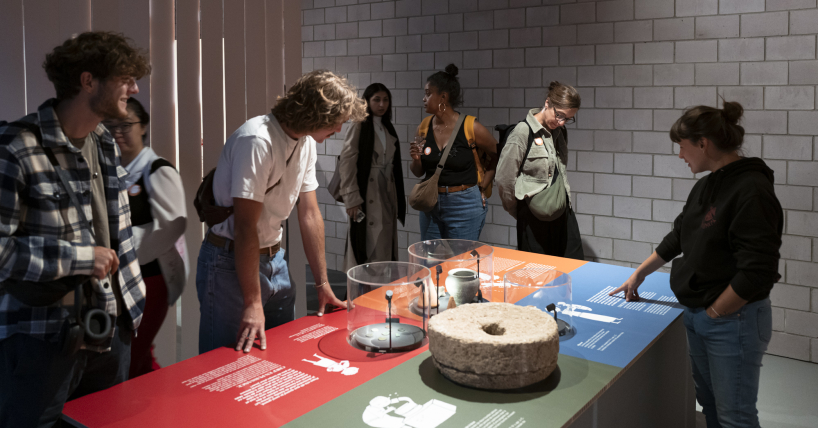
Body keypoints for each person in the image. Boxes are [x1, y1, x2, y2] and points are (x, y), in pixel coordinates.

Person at [0, 32, 149, 426]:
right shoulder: (16, 148)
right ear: (88, 81)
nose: (134, 89)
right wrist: (80, 258)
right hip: (44, 337)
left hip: (112, 325)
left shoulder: (104, 142)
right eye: (125, 79)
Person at [609, 101, 782, 428]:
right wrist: (639, 274)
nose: (680, 155)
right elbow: (679, 235)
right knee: (711, 406)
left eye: (682, 146)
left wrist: (715, 313)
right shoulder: (707, 184)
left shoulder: (752, 189)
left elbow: (759, 270)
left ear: (703, 143)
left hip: (733, 319)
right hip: (701, 313)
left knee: (736, 417)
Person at [198, 70, 365, 354]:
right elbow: (245, 226)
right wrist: (252, 301)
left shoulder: (306, 142)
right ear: (317, 113)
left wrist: (322, 283)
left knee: (278, 355)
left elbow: (309, 213)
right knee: (226, 361)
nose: (339, 129)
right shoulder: (257, 140)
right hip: (230, 262)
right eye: (336, 121)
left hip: (275, 259)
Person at [103, 97, 187, 378]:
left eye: (125, 125)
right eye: (110, 125)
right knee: (135, 355)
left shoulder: (157, 170)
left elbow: (171, 226)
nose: (117, 132)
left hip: (149, 279)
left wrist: (120, 249)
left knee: (132, 355)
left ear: (143, 127)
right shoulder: (110, 169)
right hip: (119, 277)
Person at [495, 81, 585, 259]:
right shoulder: (523, 132)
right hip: (533, 217)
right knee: (538, 270)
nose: (561, 122)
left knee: (574, 265)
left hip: (562, 213)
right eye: (559, 115)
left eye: (567, 119)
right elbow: (504, 179)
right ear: (547, 103)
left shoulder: (560, 131)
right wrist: (518, 211)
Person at [409, 64, 497, 241]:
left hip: (464, 204)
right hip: (431, 203)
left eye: (428, 93)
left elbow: (497, 154)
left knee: (460, 257)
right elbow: (418, 172)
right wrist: (416, 160)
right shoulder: (424, 127)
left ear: (443, 97)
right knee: (430, 256)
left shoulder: (471, 127)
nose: (424, 99)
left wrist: (482, 186)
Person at [338, 83, 406, 271]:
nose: (381, 104)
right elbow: (347, 161)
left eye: (385, 100)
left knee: (384, 236)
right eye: (376, 100)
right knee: (367, 241)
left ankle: (382, 282)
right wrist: (351, 198)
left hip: (386, 191)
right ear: (367, 101)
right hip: (367, 191)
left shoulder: (387, 128)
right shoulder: (359, 124)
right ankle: (366, 283)